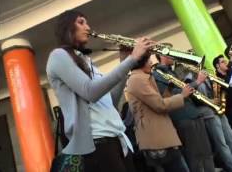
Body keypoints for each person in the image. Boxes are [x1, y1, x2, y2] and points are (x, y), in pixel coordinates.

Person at [46, 10, 155, 172]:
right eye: (81, 22)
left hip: (117, 139)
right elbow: (90, 92)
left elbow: (110, 100)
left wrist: (125, 61)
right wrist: (132, 59)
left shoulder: (86, 60)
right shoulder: (58, 56)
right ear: (67, 27)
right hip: (96, 143)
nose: (88, 27)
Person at [126, 52, 193, 172]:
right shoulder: (137, 79)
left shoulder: (142, 77)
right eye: (148, 61)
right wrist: (182, 96)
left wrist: (170, 87)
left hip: (159, 137)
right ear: (141, 63)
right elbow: (160, 105)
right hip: (157, 139)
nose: (151, 63)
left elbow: (157, 102)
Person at [153, 54, 215, 172]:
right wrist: (197, 81)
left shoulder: (171, 72)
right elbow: (173, 94)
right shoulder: (157, 74)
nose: (174, 56)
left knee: (207, 152)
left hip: (193, 113)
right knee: (195, 156)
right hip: (183, 117)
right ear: (161, 56)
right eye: (170, 54)